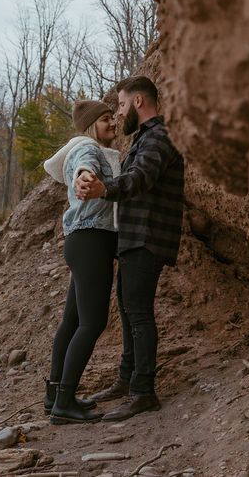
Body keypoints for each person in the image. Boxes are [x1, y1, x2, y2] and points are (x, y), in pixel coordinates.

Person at [75, 75, 185, 421]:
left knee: (138, 312)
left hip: (148, 236)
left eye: (121, 105)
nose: (119, 113)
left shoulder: (160, 136)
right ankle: (126, 379)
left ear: (138, 102)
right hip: (135, 236)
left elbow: (139, 179)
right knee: (127, 309)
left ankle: (143, 391)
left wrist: (102, 189)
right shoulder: (145, 138)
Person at [41, 99, 121, 424]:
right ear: (90, 126)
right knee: (92, 323)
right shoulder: (87, 149)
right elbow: (84, 168)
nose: (113, 123)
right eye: (105, 119)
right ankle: (63, 404)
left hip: (81, 241)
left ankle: (55, 395)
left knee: (72, 322)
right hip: (91, 241)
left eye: (113, 118)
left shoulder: (84, 147)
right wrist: (84, 177)